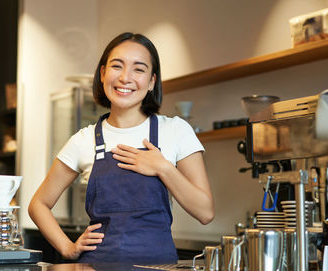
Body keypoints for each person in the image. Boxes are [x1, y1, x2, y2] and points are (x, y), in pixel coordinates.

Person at [28, 32, 214, 264]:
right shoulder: (83, 140)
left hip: (159, 267)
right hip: (96, 265)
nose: (125, 77)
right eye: (117, 66)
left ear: (152, 82)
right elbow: (38, 204)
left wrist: (163, 168)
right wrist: (67, 248)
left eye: (139, 69)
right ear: (103, 73)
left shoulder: (175, 130)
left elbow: (205, 213)